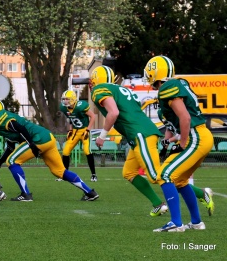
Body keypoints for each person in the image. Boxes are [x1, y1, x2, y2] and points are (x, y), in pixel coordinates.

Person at [144, 56, 214, 232]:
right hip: (201, 135)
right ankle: (197, 222)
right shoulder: (178, 83)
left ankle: (176, 222)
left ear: (155, 72)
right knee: (181, 181)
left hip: (195, 136)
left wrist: (182, 143)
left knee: (164, 175)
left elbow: (185, 117)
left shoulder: (168, 87)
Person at [0, 99, 98, 202]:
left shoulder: (1, 117)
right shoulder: (3, 121)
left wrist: (31, 144)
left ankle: (26, 194)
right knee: (59, 171)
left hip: (38, 139)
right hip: (48, 138)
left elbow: (19, 127)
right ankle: (89, 192)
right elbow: (10, 148)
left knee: (12, 161)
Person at [90, 65, 168, 217]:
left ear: (95, 80)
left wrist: (102, 136)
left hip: (140, 135)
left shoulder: (99, 89)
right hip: (139, 134)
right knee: (129, 172)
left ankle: (200, 193)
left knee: (156, 175)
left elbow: (113, 113)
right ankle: (158, 204)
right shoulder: (122, 89)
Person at [59, 90, 97, 182]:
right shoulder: (65, 108)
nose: (65, 101)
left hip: (84, 130)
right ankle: (65, 174)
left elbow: (93, 116)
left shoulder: (80, 106)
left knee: (87, 151)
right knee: (65, 151)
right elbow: (71, 119)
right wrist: (70, 129)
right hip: (75, 132)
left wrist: (88, 130)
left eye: (67, 99)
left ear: (73, 99)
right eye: (64, 99)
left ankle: (93, 175)